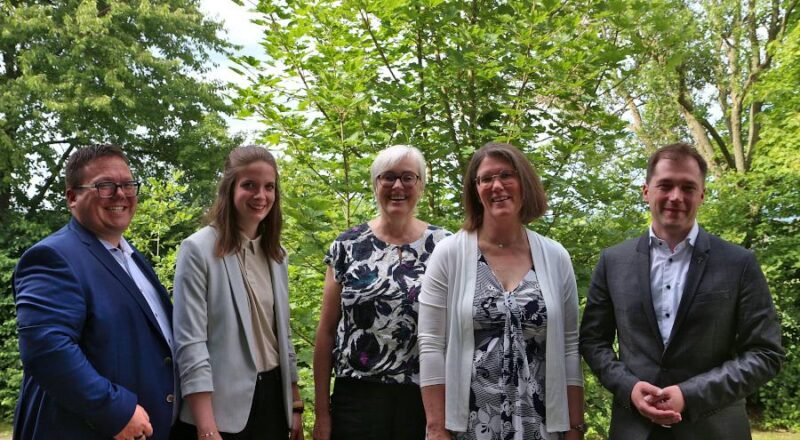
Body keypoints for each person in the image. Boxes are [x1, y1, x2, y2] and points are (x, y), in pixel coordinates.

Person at [579, 143, 784, 440]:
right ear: (646, 190)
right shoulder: (613, 262)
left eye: (688, 187)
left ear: (702, 194)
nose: (676, 196)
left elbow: (765, 352)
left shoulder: (739, 263)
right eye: (665, 185)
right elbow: (593, 341)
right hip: (634, 430)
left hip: (715, 430)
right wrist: (630, 388)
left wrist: (690, 394)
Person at [418, 142, 585, 440]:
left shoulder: (555, 257)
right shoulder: (449, 254)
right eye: (485, 178)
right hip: (469, 426)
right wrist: (436, 428)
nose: (497, 186)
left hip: (541, 424)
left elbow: (570, 347)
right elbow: (431, 344)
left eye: (507, 175)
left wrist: (574, 429)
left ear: (524, 183)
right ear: (475, 190)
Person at [12, 144, 176, 440]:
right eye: (105, 186)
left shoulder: (132, 257)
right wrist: (116, 411)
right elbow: (47, 349)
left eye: (128, 184)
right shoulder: (53, 257)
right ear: (72, 197)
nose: (121, 194)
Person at [312, 145, 450, 440]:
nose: (397, 186)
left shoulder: (445, 246)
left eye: (408, 177)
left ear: (421, 185)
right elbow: (326, 332)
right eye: (387, 177)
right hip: (357, 400)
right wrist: (322, 414)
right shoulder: (347, 245)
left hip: (424, 400)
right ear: (376, 185)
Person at [171, 146, 303, 440]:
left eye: (269, 187)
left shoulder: (277, 255)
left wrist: (295, 405)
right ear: (229, 189)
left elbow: (283, 336)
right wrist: (206, 428)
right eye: (249, 185)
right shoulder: (198, 250)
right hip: (219, 414)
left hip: (272, 406)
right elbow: (190, 343)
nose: (261, 195)